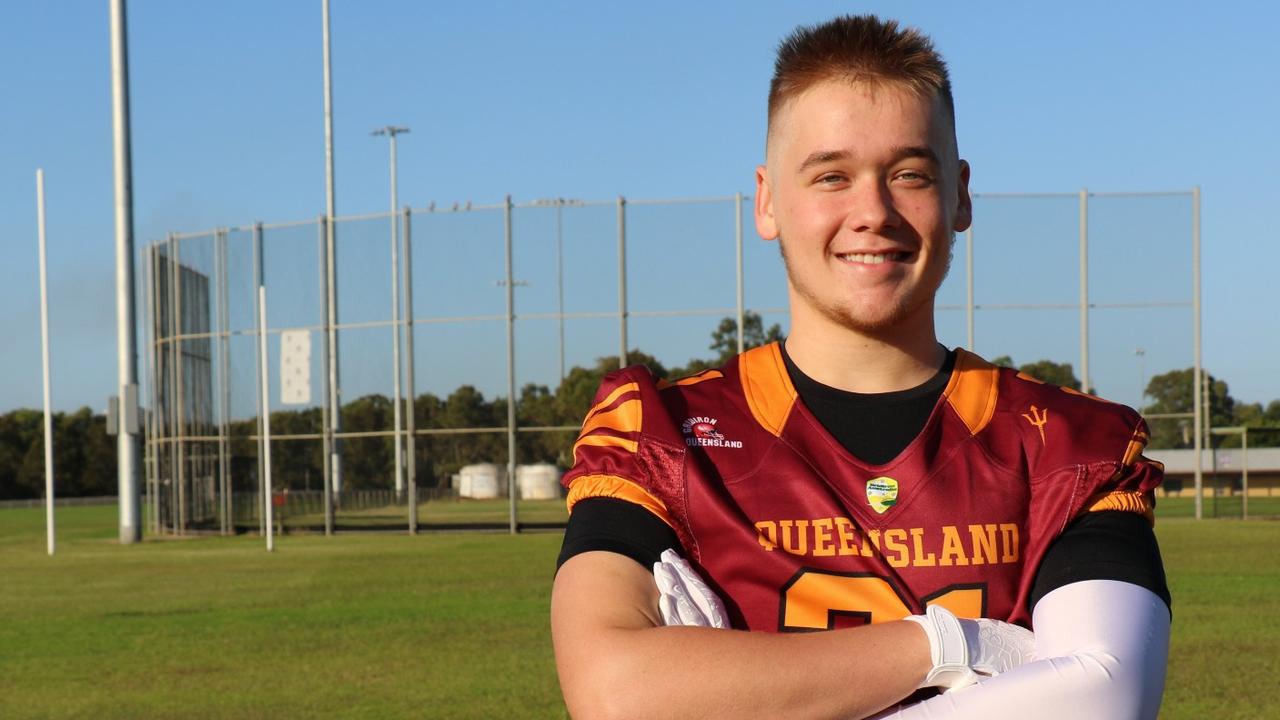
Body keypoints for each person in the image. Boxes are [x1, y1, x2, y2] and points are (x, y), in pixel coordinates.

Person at [551, 14, 1171, 719]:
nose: (871, 211)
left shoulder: (1064, 444)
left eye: (908, 173)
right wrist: (950, 645)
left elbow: (1103, 699)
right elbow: (612, 694)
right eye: (831, 175)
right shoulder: (664, 434)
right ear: (767, 200)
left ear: (960, 195)